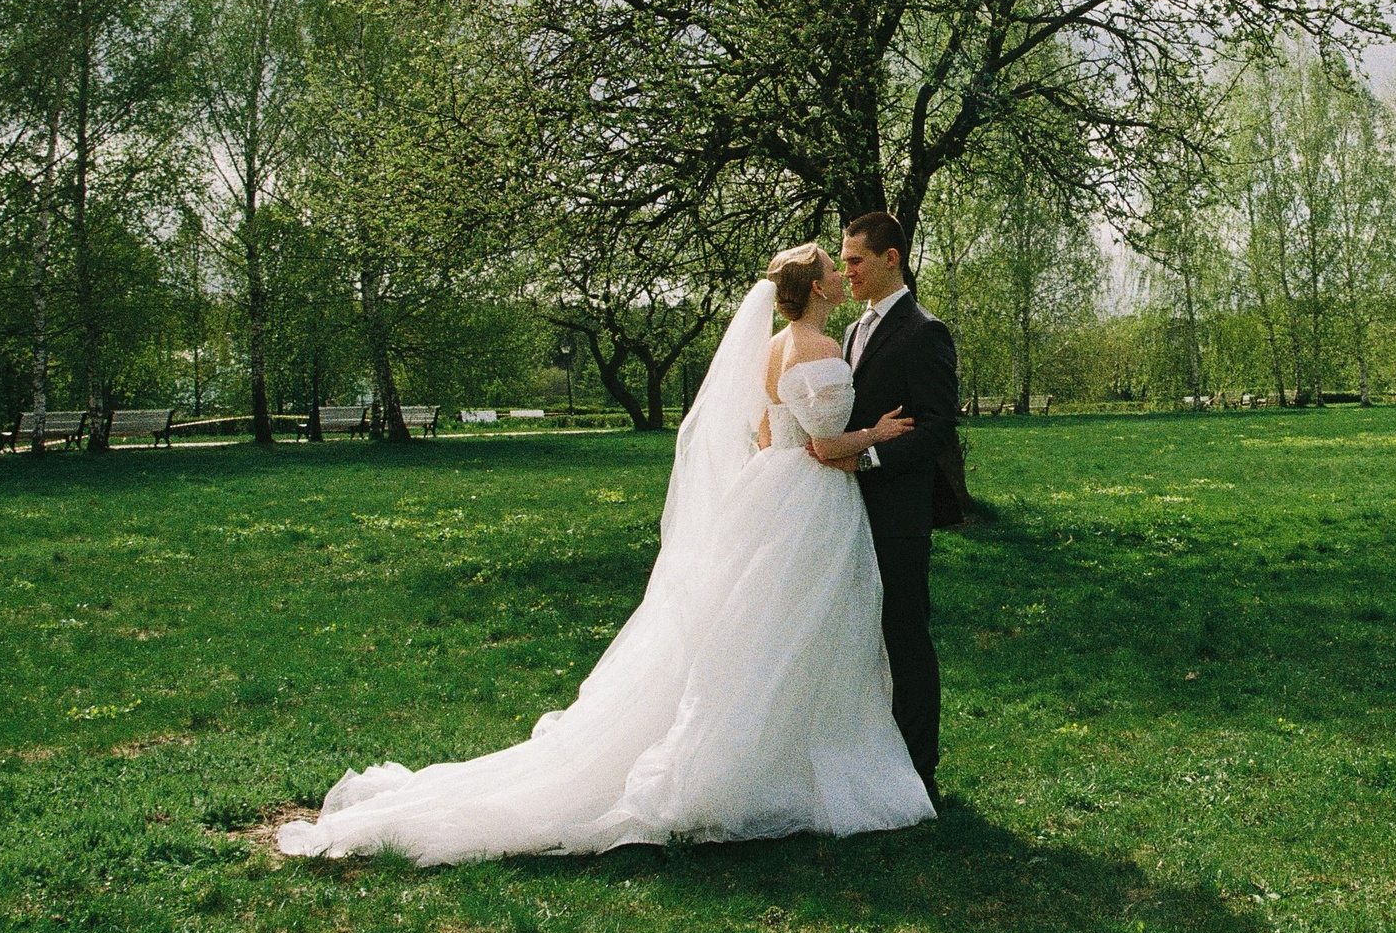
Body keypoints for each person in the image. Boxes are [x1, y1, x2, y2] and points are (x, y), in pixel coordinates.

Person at [277, 244, 934, 864]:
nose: (838, 269)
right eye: (831, 264)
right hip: (810, 500)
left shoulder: (768, 349)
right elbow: (824, 447)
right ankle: (795, 758)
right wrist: (875, 432)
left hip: (769, 489)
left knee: (762, 634)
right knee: (804, 632)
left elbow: (765, 429)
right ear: (817, 287)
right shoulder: (818, 347)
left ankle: (780, 752)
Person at [812, 210, 960, 803]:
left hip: (899, 516)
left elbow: (936, 428)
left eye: (855, 261)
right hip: (848, 512)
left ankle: (919, 774)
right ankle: (874, 757)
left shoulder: (926, 332)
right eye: (843, 262)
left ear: (890, 258)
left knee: (905, 638)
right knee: (861, 639)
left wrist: (871, 459)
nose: (846, 272)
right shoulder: (852, 332)